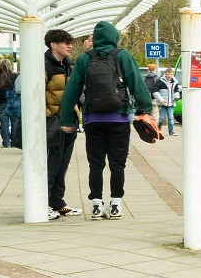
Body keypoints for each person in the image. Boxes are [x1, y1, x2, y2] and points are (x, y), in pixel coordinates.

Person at [57, 20, 153, 220]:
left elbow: (71, 91)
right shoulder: (122, 56)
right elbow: (136, 82)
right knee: (117, 164)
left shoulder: (85, 59)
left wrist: (66, 119)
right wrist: (146, 108)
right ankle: (116, 204)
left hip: (93, 120)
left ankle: (96, 205)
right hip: (118, 118)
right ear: (114, 37)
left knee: (96, 164)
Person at [44, 30, 81, 219]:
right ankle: (43, 204)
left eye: (70, 43)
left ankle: (57, 204)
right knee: (52, 165)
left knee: (63, 165)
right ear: (53, 44)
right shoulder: (43, 65)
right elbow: (34, 94)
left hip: (69, 122)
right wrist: (48, 115)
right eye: (65, 42)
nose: (70, 46)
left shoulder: (67, 65)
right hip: (53, 123)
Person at [0, 61, 18, 147]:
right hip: (13, 100)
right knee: (14, 122)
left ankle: (6, 142)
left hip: (1, 101)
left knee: (4, 122)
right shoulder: (14, 76)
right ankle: (14, 142)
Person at [153, 68, 177, 136]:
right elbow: (155, 91)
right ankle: (158, 128)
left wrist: (176, 97)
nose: (169, 76)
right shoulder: (160, 81)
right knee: (162, 118)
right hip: (162, 103)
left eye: (171, 74)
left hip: (171, 103)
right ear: (165, 74)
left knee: (171, 117)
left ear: (173, 75)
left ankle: (171, 131)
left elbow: (176, 91)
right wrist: (161, 100)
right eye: (168, 74)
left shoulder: (175, 82)